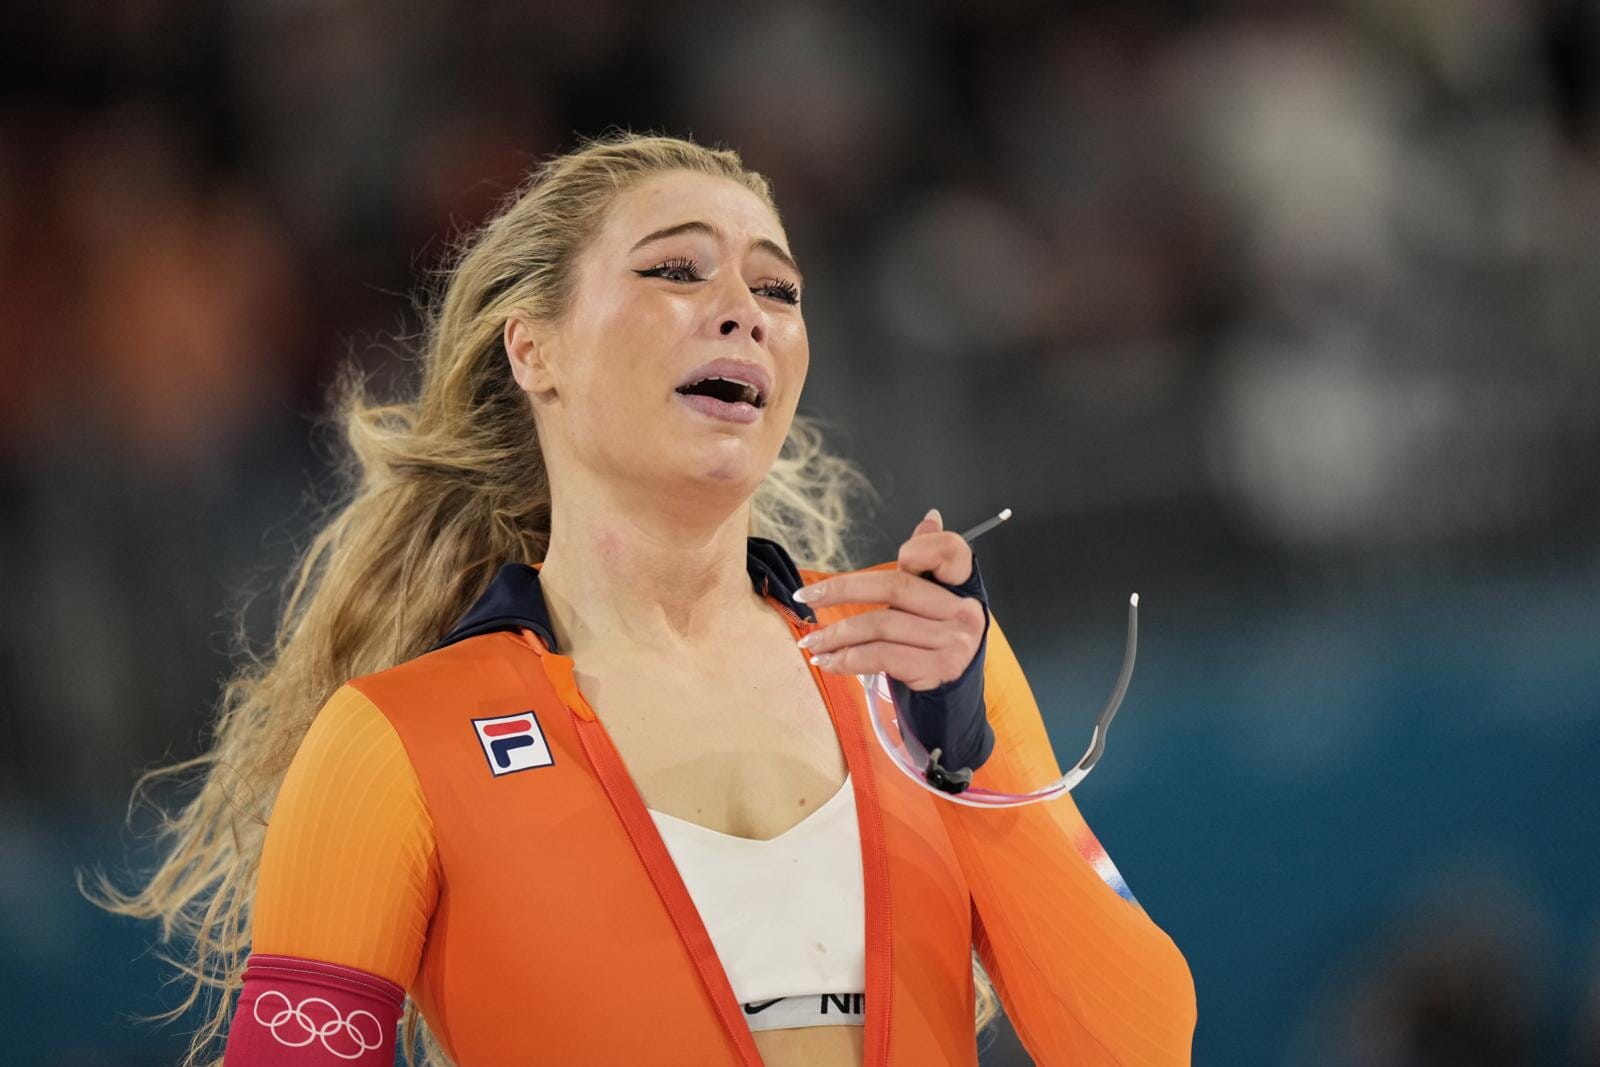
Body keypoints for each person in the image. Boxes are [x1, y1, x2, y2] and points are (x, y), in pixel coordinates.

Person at [85, 131, 1196, 1066]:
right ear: (535, 350)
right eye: (676, 270)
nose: (744, 311)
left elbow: (1139, 1047)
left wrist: (966, 769)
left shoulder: (915, 660)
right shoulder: (394, 741)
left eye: (777, 288)